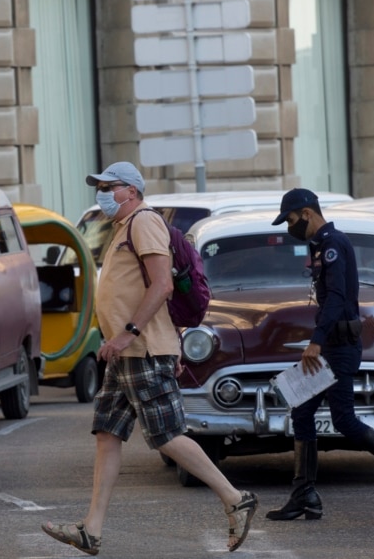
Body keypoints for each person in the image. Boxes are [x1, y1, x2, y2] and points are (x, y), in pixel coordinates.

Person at [42, 162, 257, 555]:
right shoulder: (123, 227)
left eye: (110, 186)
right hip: (128, 353)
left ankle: (234, 497)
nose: (103, 193)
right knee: (107, 434)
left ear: (132, 191)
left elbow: (162, 284)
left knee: (167, 436)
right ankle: (92, 529)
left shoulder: (144, 222)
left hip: (139, 350)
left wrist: (131, 334)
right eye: (101, 186)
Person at [265, 188, 374, 522]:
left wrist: (315, 342)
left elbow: (335, 298)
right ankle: (305, 495)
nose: (289, 227)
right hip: (333, 344)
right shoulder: (321, 245)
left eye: (290, 219)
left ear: (306, 213)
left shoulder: (333, 245)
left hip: (338, 347)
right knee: (301, 410)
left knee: (343, 419)